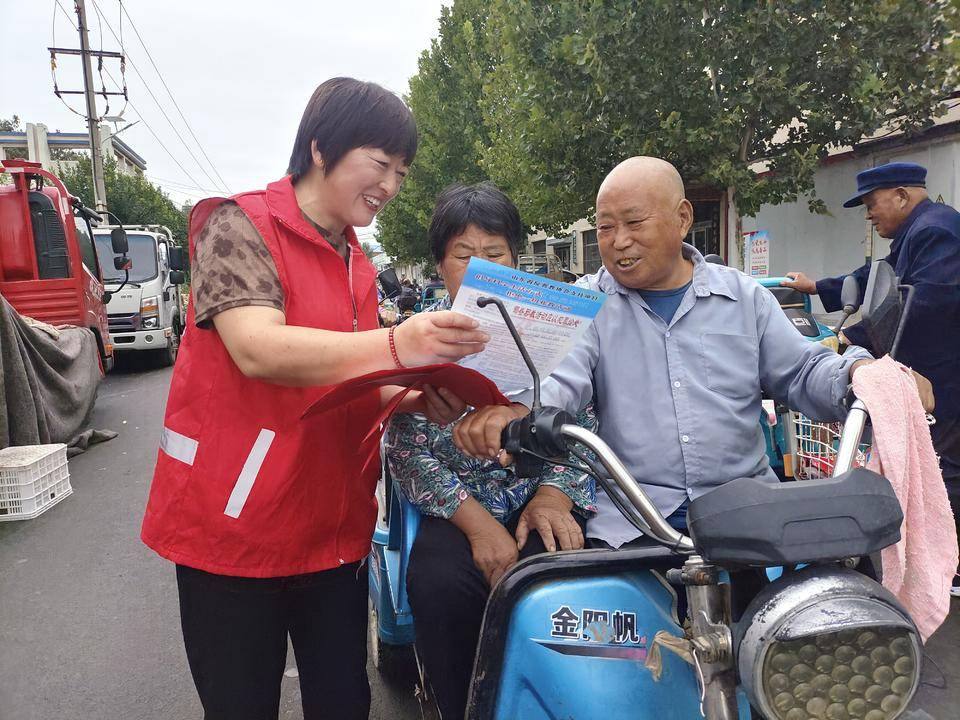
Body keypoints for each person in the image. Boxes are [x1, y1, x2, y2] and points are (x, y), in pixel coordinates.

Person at [139, 78, 489, 720]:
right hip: (236, 530)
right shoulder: (237, 224)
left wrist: (412, 396)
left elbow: (344, 378)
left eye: (402, 174)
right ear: (322, 149)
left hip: (332, 530)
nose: (389, 186)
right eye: (380, 164)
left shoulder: (354, 258)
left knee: (342, 703)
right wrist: (396, 343)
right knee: (241, 705)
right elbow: (258, 349)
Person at [453, 156, 933, 551]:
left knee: (830, 618)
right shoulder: (587, 304)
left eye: (634, 222)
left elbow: (805, 371)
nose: (618, 241)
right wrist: (515, 411)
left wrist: (866, 376)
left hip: (751, 511)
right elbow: (559, 380)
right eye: (604, 228)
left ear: (682, 217)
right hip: (635, 518)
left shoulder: (744, 298)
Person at [385, 182, 596, 720]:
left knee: (566, 586)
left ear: (516, 258)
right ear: (440, 264)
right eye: (463, 255)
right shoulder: (416, 337)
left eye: (495, 254)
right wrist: (480, 529)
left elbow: (583, 423)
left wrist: (552, 494)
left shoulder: (555, 335)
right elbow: (407, 453)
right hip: (457, 514)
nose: (480, 267)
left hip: (538, 504)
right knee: (438, 585)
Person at [782, 161, 960, 594]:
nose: (868, 214)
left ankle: (948, 570)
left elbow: (923, 303)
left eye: (871, 203)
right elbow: (875, 279)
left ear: (901, 195)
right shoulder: (916, 232)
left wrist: (851, 339)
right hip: (931, 376)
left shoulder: (937, 232)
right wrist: (816, 287)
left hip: (945, 379)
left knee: (944, 470)